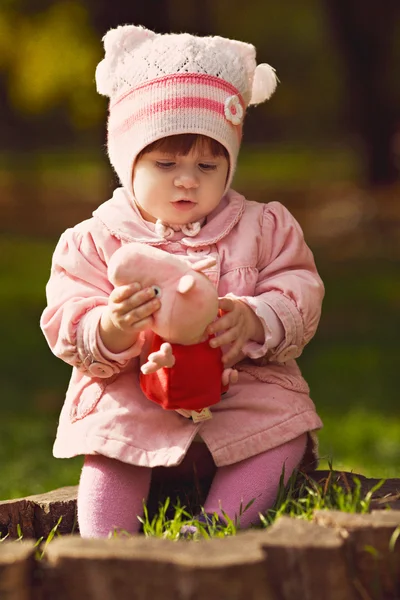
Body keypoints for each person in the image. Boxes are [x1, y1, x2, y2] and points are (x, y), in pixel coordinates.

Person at [40, 24, 324, 538]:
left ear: (229, 163)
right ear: (128, 163)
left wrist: (256, 318)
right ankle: (108, 545)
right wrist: (110, 327)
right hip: (136, 393)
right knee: (110, 446)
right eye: (166, 162)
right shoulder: (95, 239)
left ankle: (216, 526)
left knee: (284, 430)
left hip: (238, 392)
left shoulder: (262, 227)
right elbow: (66, 315)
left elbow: (299, 286)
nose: (187, 179)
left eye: (207, 163)